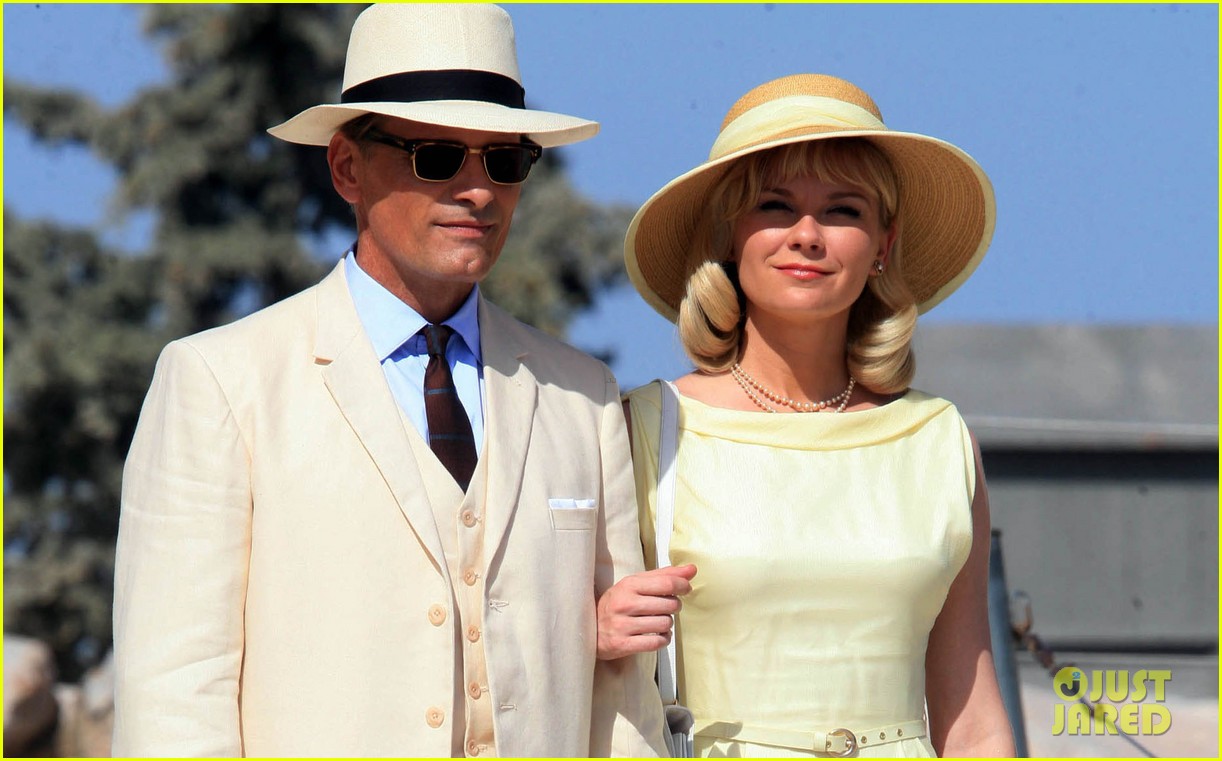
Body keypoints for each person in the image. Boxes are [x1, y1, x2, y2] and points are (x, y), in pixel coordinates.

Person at [112, 4, 667, 757]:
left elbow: (623, 697)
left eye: (504, 161)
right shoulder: (222, 380)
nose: (478, 190)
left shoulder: (582, 395)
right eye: (437, 157)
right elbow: (175, 691)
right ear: (347, 167)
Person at [596, 74, 1016, 757]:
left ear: (883, 244)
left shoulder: (939, 440)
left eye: (843, 211)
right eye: (775, 206)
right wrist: (591, 631)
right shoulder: (642, 429)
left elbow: (972, 719)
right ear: (730, 235)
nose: (807, 236)